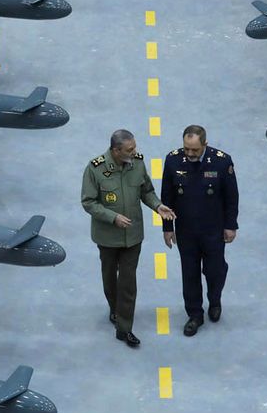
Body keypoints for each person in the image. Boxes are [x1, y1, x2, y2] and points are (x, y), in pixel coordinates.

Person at [82, 129, 176, 347]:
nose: (135, 152)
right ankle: (115, 309)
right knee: (109, 278)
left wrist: (157, 206)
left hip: (132, 236)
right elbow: (88, 202)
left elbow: (147, 191)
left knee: (127, 282)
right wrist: (113, 217)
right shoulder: (95, 169)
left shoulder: (138, 164)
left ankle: (124, 328)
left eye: (134, 147)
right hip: (107, 237)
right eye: (130, 149)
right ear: (116, 151)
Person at [160, 125, 238, 336]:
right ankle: (195, 314)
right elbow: (167, 198)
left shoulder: (222, 161)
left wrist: (231, 226)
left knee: (215, 270)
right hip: (186, 231)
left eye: (194, 150)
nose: (190, 154)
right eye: (187, 149)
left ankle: (215, 300)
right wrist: (167, 228)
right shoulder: (173, 160)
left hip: (213, 230)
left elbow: (231, 197)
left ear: (205, 144)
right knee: (190, 274)